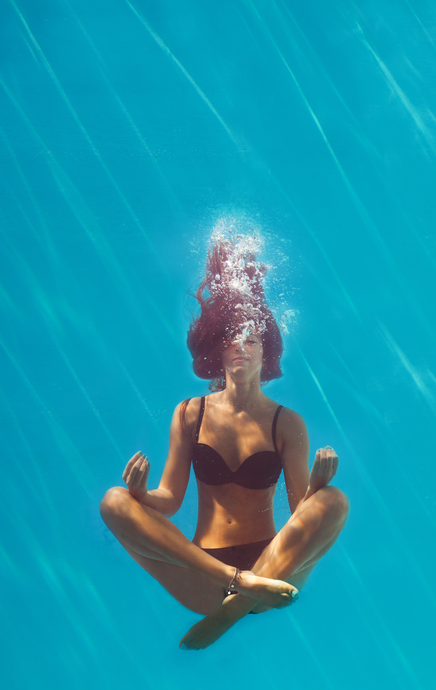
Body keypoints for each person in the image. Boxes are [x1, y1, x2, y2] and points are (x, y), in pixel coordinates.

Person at [100, 235, 349, 650]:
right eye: (232, 338)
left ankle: (236, 605)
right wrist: (142, 493)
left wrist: (318, 486)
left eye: (251, 340)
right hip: (206, 573)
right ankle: (239, 588)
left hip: (273, 565)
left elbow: (299, 508)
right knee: (113, 500)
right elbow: (170, 500)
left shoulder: (287, 423)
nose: (240, 347)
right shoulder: (190, 413)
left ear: (264, 352)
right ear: (217, 347)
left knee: (336, 501)